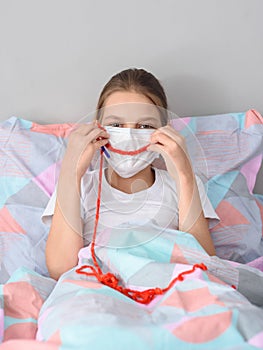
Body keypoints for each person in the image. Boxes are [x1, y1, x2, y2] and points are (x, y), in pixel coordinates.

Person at [43, 68, 218, 280]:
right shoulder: (78, 185)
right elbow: (60, 270)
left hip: (167, 291)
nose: (129, 135)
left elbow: (204, 265)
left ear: (164, 131)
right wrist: (71, 171)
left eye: (144, 126)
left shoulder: (184, 184)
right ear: (97, 128)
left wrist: (184, 175)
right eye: (116, 125)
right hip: (98, 294)